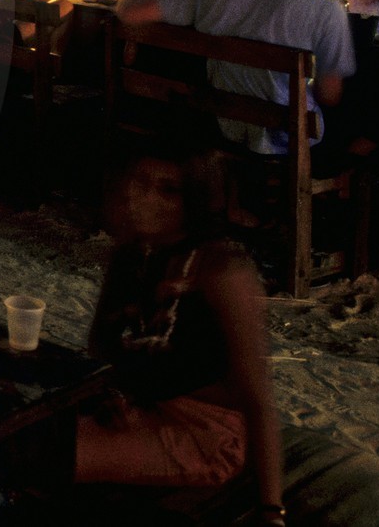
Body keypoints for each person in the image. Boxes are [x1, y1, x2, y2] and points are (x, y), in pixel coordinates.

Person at [78, 152, 284, 524]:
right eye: (140, 182)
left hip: (206, 433)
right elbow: (103, 349)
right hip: (142, 411)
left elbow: (258, 397)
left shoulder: (221, 270)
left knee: (55, 453)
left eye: (168, 190)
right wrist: (119, 397)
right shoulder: (131, 254)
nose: (144, 197)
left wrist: (272, 511)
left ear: (196, 201)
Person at [117, 0, 354, 156]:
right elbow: (330, 94)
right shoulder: (325, 10)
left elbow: (133, 14)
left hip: (219, 124)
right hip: (288, 139)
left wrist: (123, 2)